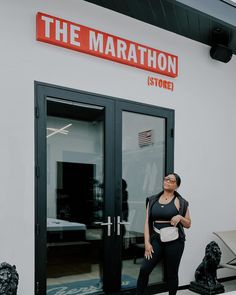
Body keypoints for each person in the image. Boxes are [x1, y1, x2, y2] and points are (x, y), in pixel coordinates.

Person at [136, 173, 191, 295]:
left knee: (171, 273)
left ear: (176, 186)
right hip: (156, 239)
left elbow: (188, 224)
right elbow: (146, 222)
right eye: (166, 179)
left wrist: (180, 217)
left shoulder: (181, 202)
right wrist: (147, 243)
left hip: (175, 241)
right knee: (144, 269)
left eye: (171, 180)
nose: (167, 181)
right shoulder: (152, 200)